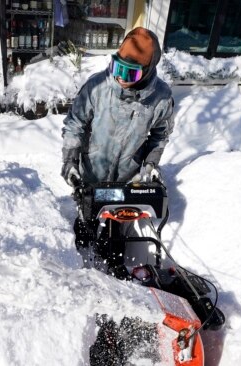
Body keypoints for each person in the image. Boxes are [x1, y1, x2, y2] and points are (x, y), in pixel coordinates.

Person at [60, 27, 175, 270]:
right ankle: (82, 252)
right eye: (117, 67)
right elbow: (74, 125)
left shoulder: (161, 98)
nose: (120, 77)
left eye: (129, 73)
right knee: (87, 220)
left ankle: (113, 264)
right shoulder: (97, 87)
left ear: (146, 71)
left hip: (126, 176)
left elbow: (160, 134)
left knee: (116, 235)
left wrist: (151, 163)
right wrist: (70, 160)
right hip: (92, 172)